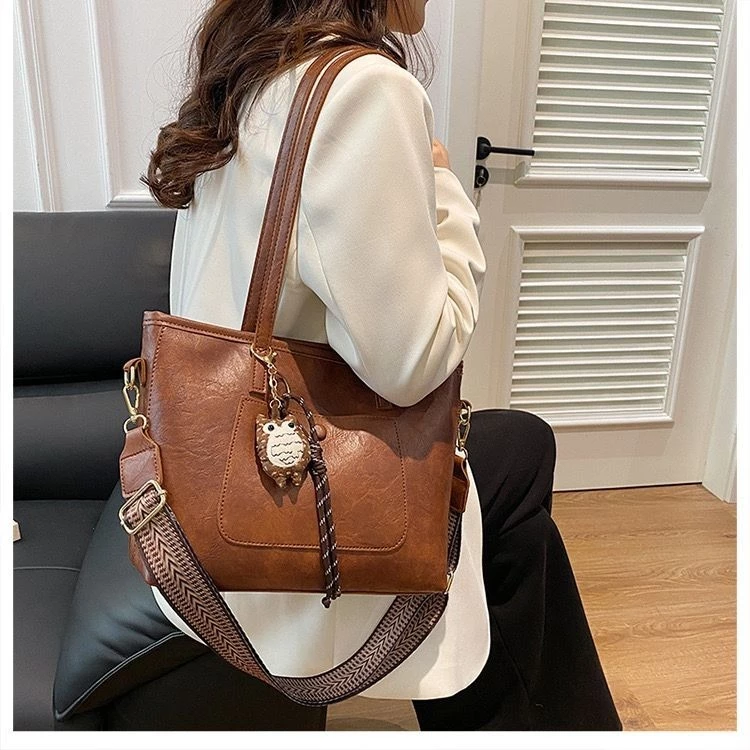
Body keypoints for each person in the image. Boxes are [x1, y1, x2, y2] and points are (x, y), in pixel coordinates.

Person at [142, 0, 622, 731]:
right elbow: (415, 362)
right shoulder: (361, 90)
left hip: (206, 480)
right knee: (519, 488)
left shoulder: (248, 77)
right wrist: (445, 190)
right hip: (282, 518)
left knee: (522, 462)